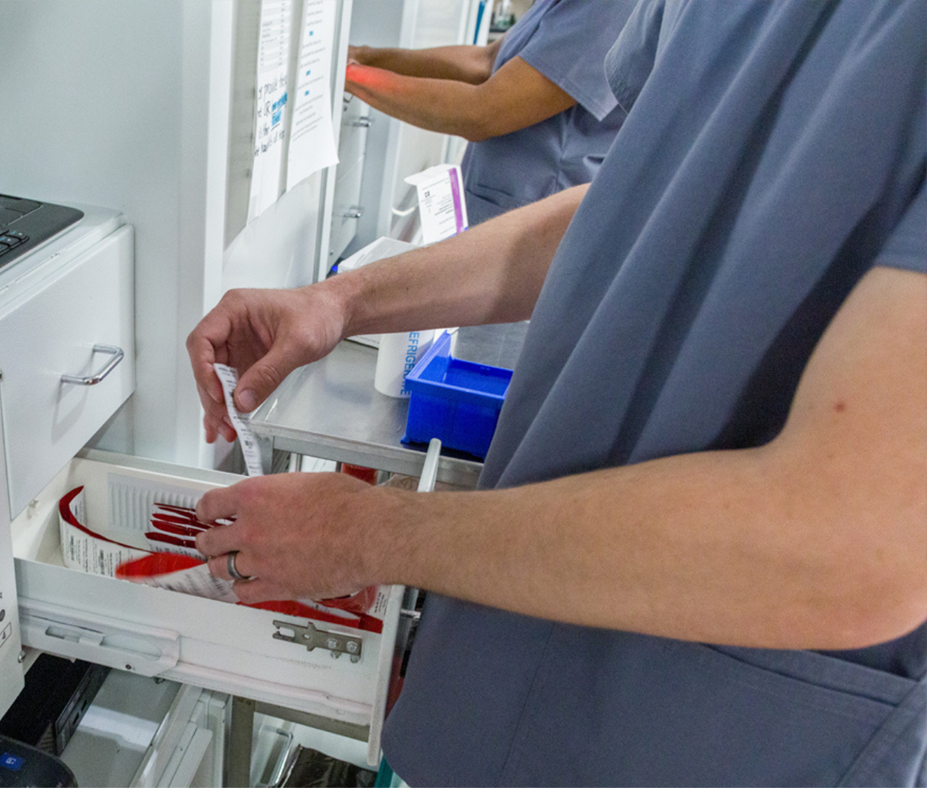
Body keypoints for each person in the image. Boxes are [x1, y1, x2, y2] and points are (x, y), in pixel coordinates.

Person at [186, 0, 927, 783]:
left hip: (711, 729)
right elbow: (637, 201)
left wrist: (374, 534)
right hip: (509, 674)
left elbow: (851, 549)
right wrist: (342, 301)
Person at [345, 0, 635, 225]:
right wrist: (364, 56)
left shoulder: (612, 7)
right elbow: (485, 61)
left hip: (533, 220)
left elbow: (481, 113)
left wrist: (348, 75)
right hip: (500, 211)